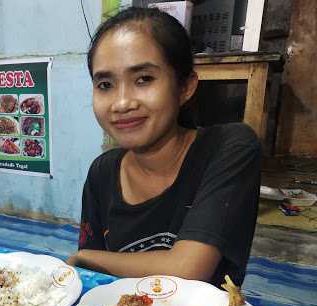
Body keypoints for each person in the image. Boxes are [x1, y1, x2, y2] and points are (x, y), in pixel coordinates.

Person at [67, 6, 261, 287]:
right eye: (106, 84)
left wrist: (84, 257)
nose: (122, 103)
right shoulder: (102, 172)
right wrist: (89, 261)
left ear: (185, 87)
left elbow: (189, 268)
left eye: (143, 79)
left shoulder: (229, 148)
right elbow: (95, 279)